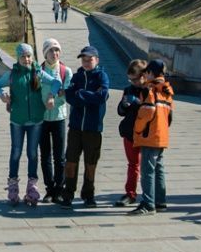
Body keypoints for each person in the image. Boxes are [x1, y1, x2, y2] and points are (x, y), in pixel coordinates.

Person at [0, 43, 58, 206]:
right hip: (17, 121)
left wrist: (51, 96)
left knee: (32, 153)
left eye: (29, 56)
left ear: (32, 57)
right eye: (23, 56)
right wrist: (2, 94)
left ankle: (32, 187)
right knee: (16, 152)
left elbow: (56, 82)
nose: (26, 59)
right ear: (18, 57)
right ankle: (13, 186)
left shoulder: (39, 73)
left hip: (36, 120)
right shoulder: (12, 74)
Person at [62, 45, 110, 208]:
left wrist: (81, 93)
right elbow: (70, 97)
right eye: (84, 60)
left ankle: (88, 194)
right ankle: (68, 193)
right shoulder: (77, 77)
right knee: (71, 161)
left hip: (93, 128)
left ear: (97, 60)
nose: (86, 63)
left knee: (91, 162)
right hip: (75, 127)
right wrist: (87, 96)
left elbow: (102, 96)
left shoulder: (101, 76)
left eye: (90, 60)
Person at [130, 60, 174, 215]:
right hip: (161, 135)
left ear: (150, 73)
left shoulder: (150, 90)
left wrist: (138, 128)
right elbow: (170, 116)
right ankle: (160, 201)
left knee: (148, 171)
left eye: (146, 73)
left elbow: (147, 112)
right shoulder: (166, 90)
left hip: (149, 136)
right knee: (159, 168)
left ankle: (148, 203)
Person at [39, 38, 73, 204]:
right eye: (51, 51)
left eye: (57, 50)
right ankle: (49, 189)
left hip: (59, 117)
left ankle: (59, 189)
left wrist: (56, 99)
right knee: (45, 155)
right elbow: (35, 92)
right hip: (42, 118)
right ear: (45, 54)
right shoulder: (39, 71)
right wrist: (44, 103)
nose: (54, 53)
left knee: (59, 156)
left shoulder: (66, 71)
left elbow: (67, 94)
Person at [114, 60, 148, 208]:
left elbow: (151, 111)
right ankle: (130, 194)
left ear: (143, 75)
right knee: (133, 164)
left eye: (135, 79)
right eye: (130, 80)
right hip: (130, 132)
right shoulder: (128, 89)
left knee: (148, 166)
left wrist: (137, 104)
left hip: (146, 134)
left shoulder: (150, 90)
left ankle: (149, 195)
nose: (133, 83)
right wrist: (123, 105)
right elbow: (120, 112)